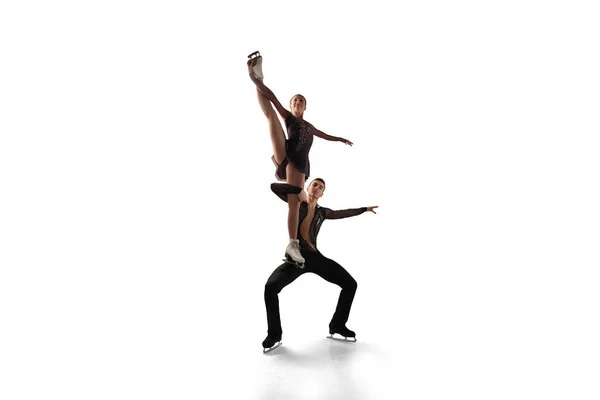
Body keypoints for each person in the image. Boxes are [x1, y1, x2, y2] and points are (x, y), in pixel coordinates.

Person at [247, 51, 353, 266]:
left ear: (305, 107)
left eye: (301, 101)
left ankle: (292, 244)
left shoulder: (310, 127)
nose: (297, 102)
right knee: (270, 116)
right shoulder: (288, 117)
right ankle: (259, 75)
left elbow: (325, 135)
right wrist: (253, 77)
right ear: (292, 105)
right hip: (285, 152)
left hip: (298, 163)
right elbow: (272, 98)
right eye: (295, 100)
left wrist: (341, 139)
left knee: (294, 204)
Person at [262, 177, 379, 351]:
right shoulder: (297, 203)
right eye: (314, 185)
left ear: (322, 194)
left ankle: (337, 325)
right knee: (270, 287)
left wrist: (364, 209)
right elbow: (274, 187)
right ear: (308, 187)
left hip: (315, 258)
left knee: (350, 284)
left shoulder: (322, 212)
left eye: (321, 187)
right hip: (296, 258)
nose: (317, 188)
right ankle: (274, 333)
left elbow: (342, 213)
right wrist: (296, 190)